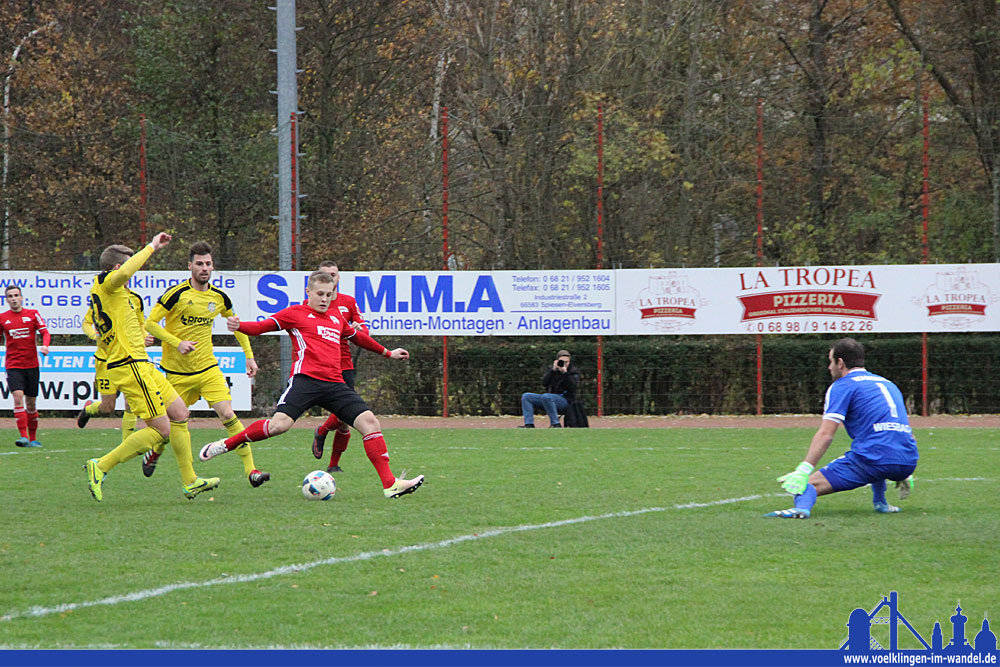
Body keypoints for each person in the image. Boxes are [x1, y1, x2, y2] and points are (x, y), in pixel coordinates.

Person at [197, 270, 424, 500]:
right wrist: (240, 325)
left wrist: (387, 352)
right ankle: (227, 444)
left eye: (329, 294)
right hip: (305, 381)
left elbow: (357, 337)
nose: (325, 299)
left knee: (370, 423)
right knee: (279, 426)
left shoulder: (336, 317)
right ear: (308, 292)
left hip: (335, 384)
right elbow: (263, 326)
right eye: (320, 294)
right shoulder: (296, 313)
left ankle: (390, 484)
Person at [83, 232, 219, 502]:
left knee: (180, 413)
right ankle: (100, 466)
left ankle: (190, 481)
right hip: (129, 365)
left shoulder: (120, 293)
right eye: (130, 262)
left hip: (141, 363)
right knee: (161, 430)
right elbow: (121, 275)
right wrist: (151, 247)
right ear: (119, 267)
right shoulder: (108, 283)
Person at [141, 241, 269, 488]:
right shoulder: (175, 294)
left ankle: (251, 470)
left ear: (213, 267)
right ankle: (155, 451)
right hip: (177, 374)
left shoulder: (219, 297)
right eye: (199, 264)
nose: (204, 268)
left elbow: (236, 325)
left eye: (208, 264)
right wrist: (176, 342)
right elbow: (151, 324)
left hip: (208, 370)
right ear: (190, 266)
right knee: (167, 427)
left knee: (228, 414)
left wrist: (249, 355)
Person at [764, 337, 918, 519]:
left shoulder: (843, 386)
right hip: (908, 460)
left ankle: (801, 510)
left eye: (830, 362)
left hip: (874, 460)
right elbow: (901, 429)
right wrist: (903, 470)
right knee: (876, 448)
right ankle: (881, 503)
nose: (829, 368)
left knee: (805, 486)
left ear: (840, 362)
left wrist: (803, 470)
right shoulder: (887, 384)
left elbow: (826, 433)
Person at [308, 260, 368, 473]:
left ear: (338, 277)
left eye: (333, 274)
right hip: (318, 366)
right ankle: (324, 436)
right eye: (325, 275)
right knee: (345, 415)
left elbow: (363, 333)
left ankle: (332, 461)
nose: (330, 278)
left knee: (344, 418)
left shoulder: (348, 302)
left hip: (343, 364)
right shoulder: (313, 303)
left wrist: (359, 329)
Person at [77, 289, 149, 441]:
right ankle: (89, 409)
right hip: (106, 360)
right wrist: (94, 335)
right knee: (107, 408)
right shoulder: (103, 297)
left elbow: (140, 324)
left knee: (131, 402)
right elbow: (86, 323)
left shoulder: (135, 298)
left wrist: (145, 337)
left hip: (129, 359)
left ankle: (127, 443)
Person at [0, 286, 50, 447]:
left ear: (22, 297)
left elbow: (45, 333)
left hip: (32, 365)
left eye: (16, 295)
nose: (14, 298)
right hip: (14, 365)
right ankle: (23, 437)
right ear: (6, 300)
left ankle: (33, 438)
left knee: (31, 403)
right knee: (17, 397)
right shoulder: (2, 318)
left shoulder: (32, 314)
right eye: (10, 296)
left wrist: (45, 346)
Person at [518, 349, 579, 428]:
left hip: (565, 400)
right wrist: (552, 371)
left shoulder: (573, 372)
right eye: (562, 361)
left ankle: (555, 424)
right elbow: (544, 383)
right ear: (557, 361)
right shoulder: (552, 370)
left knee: (547, 396)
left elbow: (572, 387)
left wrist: (565, 373)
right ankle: (529, 424)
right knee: (526, 396)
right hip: (548, 398)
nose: (564, 364)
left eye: (567, 362)